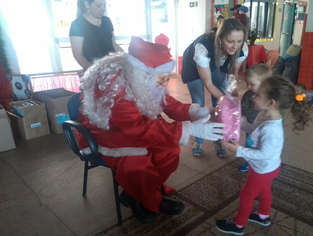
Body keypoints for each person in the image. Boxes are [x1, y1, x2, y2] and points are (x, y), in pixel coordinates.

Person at [76, 36, 225, 224]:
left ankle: (139, 195)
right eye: (161, 77)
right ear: (144, 73)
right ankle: (149, 199)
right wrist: (188, 129)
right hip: (108, 130)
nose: (163, 81)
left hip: (136, 125)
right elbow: (139, 128)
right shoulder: (115, 90)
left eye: (165, 76)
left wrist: (194, 112)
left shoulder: (152, 77)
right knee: (136, 163)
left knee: (170, 151)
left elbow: (164, 100)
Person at [215, 75, 311, 235]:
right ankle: (263, 216)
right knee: (265, 190)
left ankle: (238, 226)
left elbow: (265, 153)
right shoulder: (265, 114)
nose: (253, 96)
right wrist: (239, 122)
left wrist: (238, 150)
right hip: (265, 167)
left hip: (263, 168)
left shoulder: (272, 129)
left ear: (271, 102)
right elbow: (255, 131)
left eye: (258, 94)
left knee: (246, 195)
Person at [181, 18, 248, 158]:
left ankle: (218, 139)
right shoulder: (203, 47)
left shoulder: (241, 49)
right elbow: (208, 83)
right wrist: (226, 98)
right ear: (220, 38)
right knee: (198, 103)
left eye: (239, 41)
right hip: (193, 68)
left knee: (219, 105)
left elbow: (232, 72)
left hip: (217, 65)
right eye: (230, 41)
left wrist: (232, 93)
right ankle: (198, 140)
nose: (235, 46)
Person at [233, 64, 272, 172]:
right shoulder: (248, 94)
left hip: (262, 126)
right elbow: (243, 107)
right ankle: (248, 162)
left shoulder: (270, 97)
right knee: (250, 144)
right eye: (247, 84)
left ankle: (259, 162)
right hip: (250, 125)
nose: (249, 87)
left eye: (252, 84)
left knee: (262, 145)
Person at [69, 0, 123, 71]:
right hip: (93, 71)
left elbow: (114, 45)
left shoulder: (107, 21)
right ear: (87, 5)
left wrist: (128, 57)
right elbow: (78, 55)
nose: (103, 8)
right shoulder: (77, 25)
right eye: (99, 5)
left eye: (104, 5)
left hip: (112, 68)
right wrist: (93, 72)